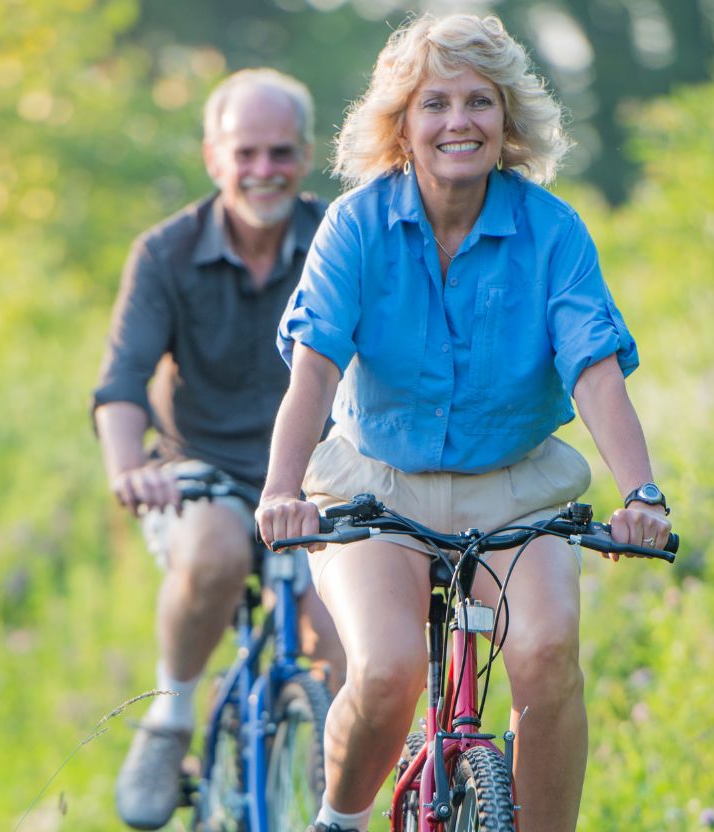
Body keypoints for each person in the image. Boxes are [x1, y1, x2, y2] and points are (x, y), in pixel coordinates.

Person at [254, 14, 674, 832]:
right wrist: (280, 490)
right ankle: (338, 821)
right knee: (384, 672)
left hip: (516, 491)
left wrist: (643, 492)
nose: (458, 122)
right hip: (377, 489)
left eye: (479, 101)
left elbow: (593, 367)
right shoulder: (357, 226)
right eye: (435, 103)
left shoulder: (553, 231)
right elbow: (315, 369)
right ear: (402, 126)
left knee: (548, 658)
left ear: (507, 121)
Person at [93, 68, 345, 830]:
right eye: (245, 153)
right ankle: (170, 720)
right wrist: (127, 468)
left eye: (279, 153)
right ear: (214, 157)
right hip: (201, 468)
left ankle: (332, 767)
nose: (261, 171)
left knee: (345, 628)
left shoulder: (344, 237)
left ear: (304, 156)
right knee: (212, 553)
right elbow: (123, 382)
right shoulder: (164, 253)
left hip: (319, 471)